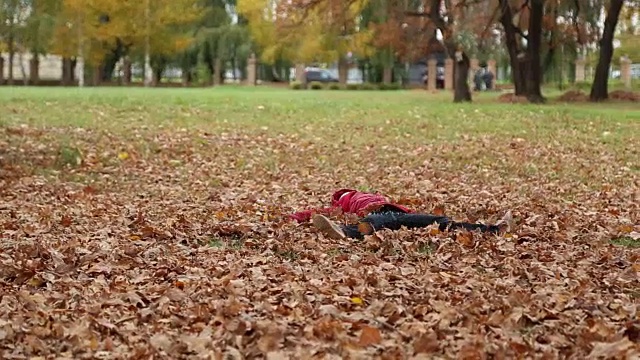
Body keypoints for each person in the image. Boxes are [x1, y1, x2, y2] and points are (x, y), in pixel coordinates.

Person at [289, 188, 510, 240]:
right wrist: (294, 217)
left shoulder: (370, 195)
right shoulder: (345, 203)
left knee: (440, 221)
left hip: (399, 215)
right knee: (376, 221)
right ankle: (345, 231)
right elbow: (318, 212)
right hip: (379, 215)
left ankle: (492, 229)